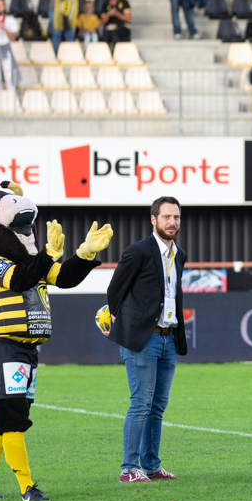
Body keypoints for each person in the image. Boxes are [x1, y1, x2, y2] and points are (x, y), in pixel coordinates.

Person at [105, 197, 187, 484]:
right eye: (166, 217)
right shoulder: (138, 251)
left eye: (176, 217)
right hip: (142, 339)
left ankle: (151, 466)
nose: (172, 222)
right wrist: (117, 319)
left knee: (157, 406)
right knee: (141, 403)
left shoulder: (180, 254)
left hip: (168, 339)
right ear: (154, 220)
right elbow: (115, 289)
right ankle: (128, 469)